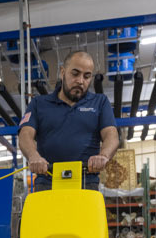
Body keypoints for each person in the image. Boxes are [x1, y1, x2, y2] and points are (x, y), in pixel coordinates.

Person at [18, 50, 119, 191]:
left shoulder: (100, 102)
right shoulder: (38, 104)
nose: (80, 81)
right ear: (62, 72)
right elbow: (25, 134)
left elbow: (111, 135)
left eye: (87, 76)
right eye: (75, 73)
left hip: (86, 182)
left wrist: (103, 155)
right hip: (47, 181)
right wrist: (33, 156)